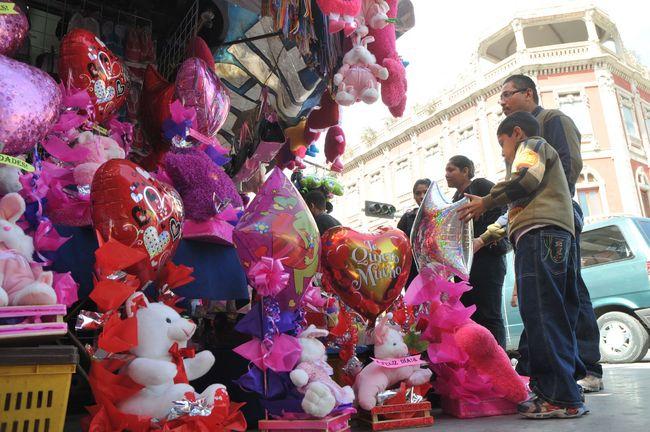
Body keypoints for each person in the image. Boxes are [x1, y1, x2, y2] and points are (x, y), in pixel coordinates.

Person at [459, 112, 588, 419]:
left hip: (539, 236)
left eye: (503, 144)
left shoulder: (531, 146)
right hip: (554, 235)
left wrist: (485, 201)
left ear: (516, 133)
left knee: (542, 313)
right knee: (556, 313)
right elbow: (516, 205)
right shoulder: (543, 166)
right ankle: (565, 389)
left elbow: (525, 179)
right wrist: (485, 236)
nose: (504, 153)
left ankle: (559, 396)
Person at [496, 74, 603, 393]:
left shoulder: (552, 120)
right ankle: (535, 368)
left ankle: (587, 367)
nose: (502, 102)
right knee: (539, 296)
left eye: (507, 95)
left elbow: (568, 166)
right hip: (530, 221)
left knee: (569, 290)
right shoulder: (519, 141)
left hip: (555, 218)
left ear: (528, 93)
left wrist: (554, 207)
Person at [445, 156, 508, 349]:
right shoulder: (454, 199)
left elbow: (502, 211)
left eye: (451, 170)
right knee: (469, 316)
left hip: (487, 258)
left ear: (465, 171)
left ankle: (498, 361)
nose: (446, 174)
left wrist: (482, 239)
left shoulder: (481, 185)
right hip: (465, 265)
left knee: (489, 314)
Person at [397, 179, 431, 288]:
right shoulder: (407, 218)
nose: (422, 196)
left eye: (425, 192)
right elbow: (398, 244)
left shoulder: (441, 215)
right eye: (418, 193)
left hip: (436, 271)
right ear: (414, 196)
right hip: (413, 273)